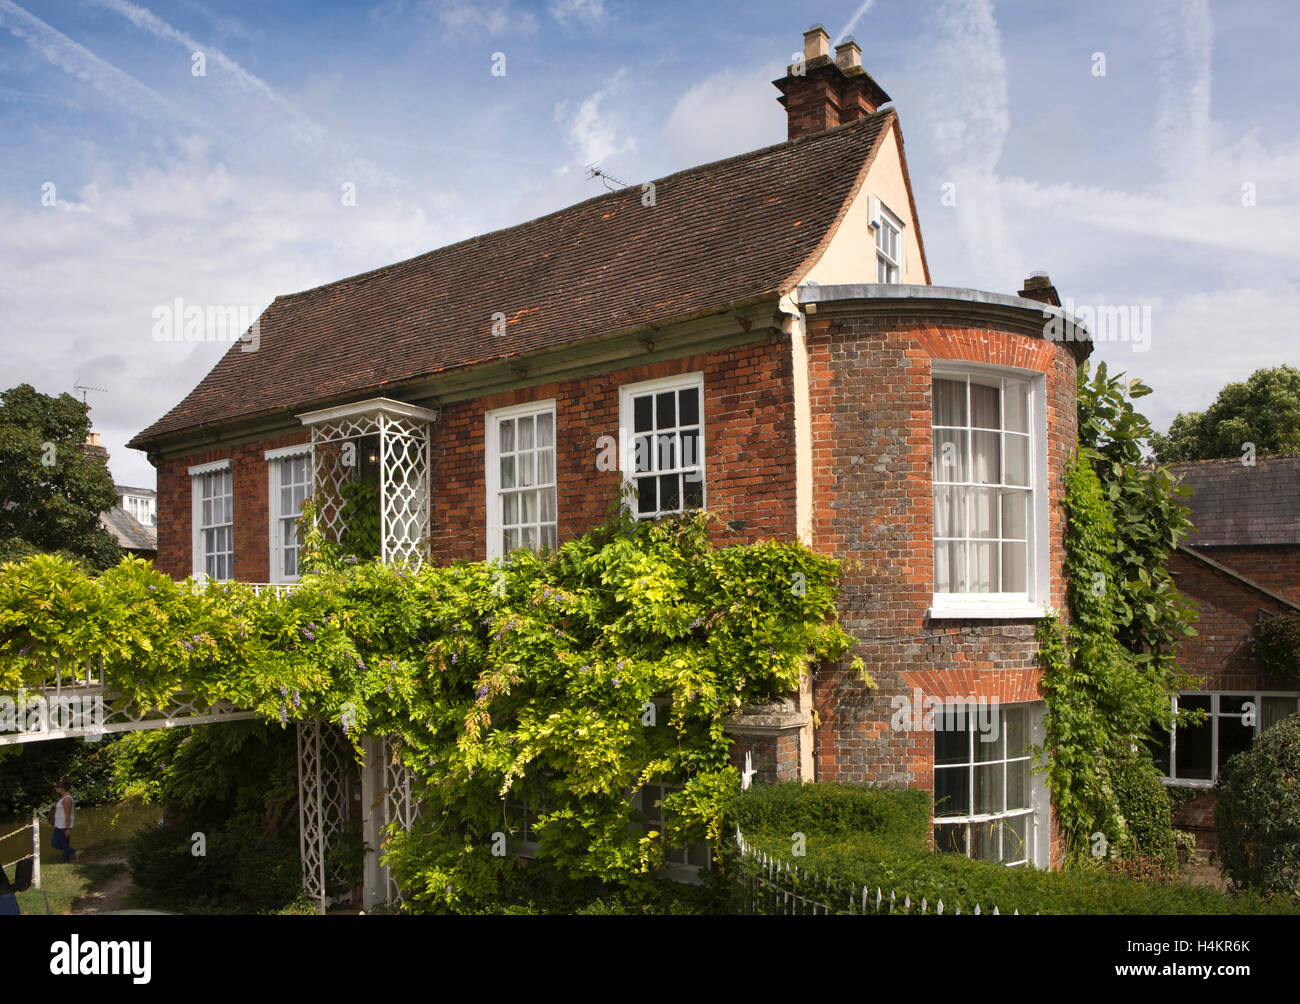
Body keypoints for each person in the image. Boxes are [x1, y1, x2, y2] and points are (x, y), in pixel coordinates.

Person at [50, 780, 80, 865]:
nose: (56, 788)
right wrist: (56, 806)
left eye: (57, 787)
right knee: (55, 843)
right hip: (58, 825)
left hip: (63, 826)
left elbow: (67, 815)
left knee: (64, 844)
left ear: (62, 788)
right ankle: (74, 853)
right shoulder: (62, 798)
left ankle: (66, 861)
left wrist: (67, 828)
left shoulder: (67, 799)